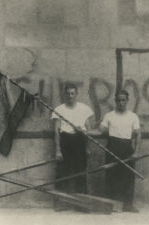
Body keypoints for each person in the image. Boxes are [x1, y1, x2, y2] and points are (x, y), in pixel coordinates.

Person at [85, 90, 141, 213]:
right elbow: (99, 131)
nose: (121, 102)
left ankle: (128, 205)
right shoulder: (109, 115)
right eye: (118, 100)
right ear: (115, 101)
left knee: (128, 177)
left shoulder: (133, 116)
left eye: (123, 100)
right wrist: (84, 132)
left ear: (127, 100)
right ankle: (109, 205)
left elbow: (138, 135)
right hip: (112, 147)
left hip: (127, 148)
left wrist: (136, 152)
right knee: (111, 177)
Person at [51, 84, 94, 212]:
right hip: (65, 141)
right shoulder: (59, 109)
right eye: (68, 93)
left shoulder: (84, 109)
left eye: (72, 93)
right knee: (62, 173)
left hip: (79, 140)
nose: (70, 96)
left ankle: (81, 204)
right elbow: (56, 131)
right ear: (65, 94)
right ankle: (59, 203)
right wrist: (58, 149)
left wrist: (87, 147)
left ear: (76, 94)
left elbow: (89, 130)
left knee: (81, 172)